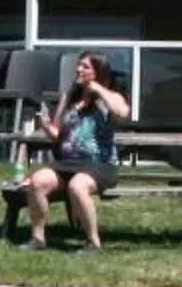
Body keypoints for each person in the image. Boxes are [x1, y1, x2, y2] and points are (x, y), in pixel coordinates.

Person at [18, 52, 129, 252]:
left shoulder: (110, 98)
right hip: (67, 163)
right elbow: (58, 135)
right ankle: (38, 238)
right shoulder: (68, 97)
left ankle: (93, 243)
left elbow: (122, 113)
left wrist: (97, 88)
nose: (78, 70)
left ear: (98, 72)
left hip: (99, 164)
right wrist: (44, 125)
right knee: (38, 181)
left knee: (78, 186)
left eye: (85, 67)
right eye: (78, 66)